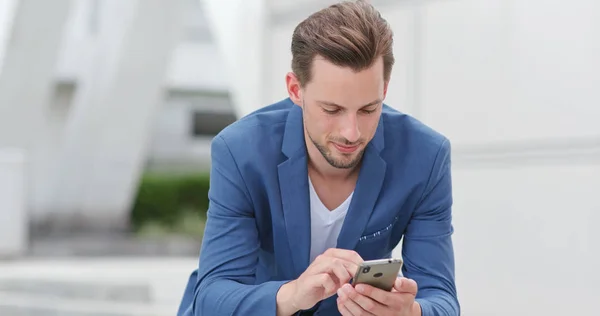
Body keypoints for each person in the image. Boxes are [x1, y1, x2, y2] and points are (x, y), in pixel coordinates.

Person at [177, 1, 459, 315]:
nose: (352, 133)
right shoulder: (241, 151)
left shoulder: (425, 156)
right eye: (332, 110)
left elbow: (443, 300)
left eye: (368, 109)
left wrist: (410, 312)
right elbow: (213, 298)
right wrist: (293, 294)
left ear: (385, 88)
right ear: (295, 89)